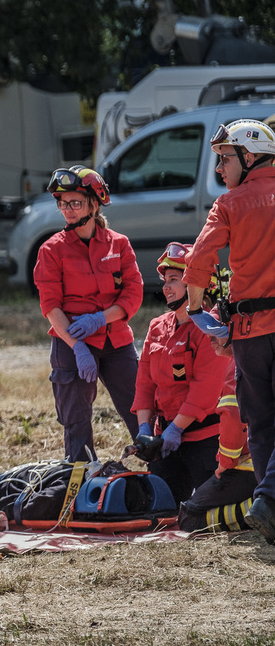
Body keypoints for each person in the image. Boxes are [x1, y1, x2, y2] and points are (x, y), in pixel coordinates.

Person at [182, 119, 275, 538]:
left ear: (249, 157)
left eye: (223, 159)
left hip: (250, 332)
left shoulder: (230, 204)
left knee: (261, 422)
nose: (219, 169)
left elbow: (200, 258)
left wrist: (198, 307)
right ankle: (269, 503)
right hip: (254, 327)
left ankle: (268, 500)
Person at [32, 165, 142, 463]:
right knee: (77, 426)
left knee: (143, 415)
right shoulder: (51, 250)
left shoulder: (119, 244)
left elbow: (133, 294)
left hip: (115, 341)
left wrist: (99, 319)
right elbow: (51, 307)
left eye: (75, 203)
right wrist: (78, 346)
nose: (67, 209)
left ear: (95, 204)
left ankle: (166, 480)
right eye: (62, 203)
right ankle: (79, 489)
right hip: (72, 344)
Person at [131, 243, 231, 502]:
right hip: (165, 442)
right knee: (156, 507)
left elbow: (205, 389)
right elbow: (144, 383)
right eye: (165, 280)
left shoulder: (211, 327)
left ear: (196, 285)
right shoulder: (157, 326)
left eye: (174, 280)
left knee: (200, 514)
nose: (165, 286)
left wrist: (176, 429)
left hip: (204, 441)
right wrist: (144, 428)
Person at [179, 345, 257, 533]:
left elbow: (232, 414)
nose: (209, 338)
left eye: (216, 327)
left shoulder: (241, 360)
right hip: (263, 461)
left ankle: (263, 511)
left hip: (253, 464)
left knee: (189, 518)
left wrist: (226, 461)